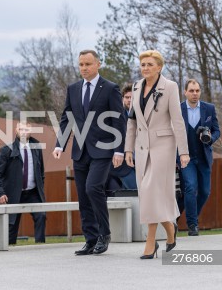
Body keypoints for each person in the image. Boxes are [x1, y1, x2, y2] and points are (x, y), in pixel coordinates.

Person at [53, 50, 126, 255]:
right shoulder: (73, 88)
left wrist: (119, 150)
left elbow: (118, 121)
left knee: (94, 188)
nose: (84, 68)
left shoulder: (110, 88)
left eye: (88, 64)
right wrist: (60, 144)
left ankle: (105, 234)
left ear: (98, 64)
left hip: (103, 150)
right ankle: (91, 239)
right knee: (84, 196)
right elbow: (67, 117)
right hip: (80, 151)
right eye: (81, 65)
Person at [125, 50, 190, 259]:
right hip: (142, 147)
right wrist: (128, 148)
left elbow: (178, 121)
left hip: (164, 146)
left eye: (150, 64)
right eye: (143, 64)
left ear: (159, 67)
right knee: (149, 194)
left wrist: (184, 152)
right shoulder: (136, 87)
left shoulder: (170, 87)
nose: (145, 68)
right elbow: (132, 121)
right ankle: (170, 229)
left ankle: (150, 242)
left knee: (150, 190)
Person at [0, 122, 46, 245]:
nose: (23, 132)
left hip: (33, 193)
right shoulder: (6, 150)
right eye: (21, 129)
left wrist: (40, 189)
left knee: (41, 216)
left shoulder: (37, 148)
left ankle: (40, 247)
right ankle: (10, 249)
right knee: (12, 225)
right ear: (16, 130)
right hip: (13, 194)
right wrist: (0, 193)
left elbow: (41, 171)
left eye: (26, 129)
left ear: (31, 131)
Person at [179, 79, 220, 236]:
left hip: (203, 156)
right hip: (185, 157)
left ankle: (189, 216)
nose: (194, 94)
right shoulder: (178, 109)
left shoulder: (209, 109)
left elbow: (217, 130)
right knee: (190, 188)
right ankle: (192, 225)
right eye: (191, 90)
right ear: (185, 92)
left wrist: (210, 138)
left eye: (197, 90)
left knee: (204, 192)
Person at [109, 83, 137, 190]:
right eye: (127, 97)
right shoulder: (115, 116)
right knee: (134, 192)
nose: (129, 100)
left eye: (132, 97)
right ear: (122, 99)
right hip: (121, 166)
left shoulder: (142, 114)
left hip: (139, 162)